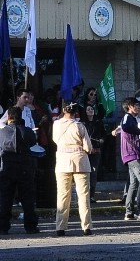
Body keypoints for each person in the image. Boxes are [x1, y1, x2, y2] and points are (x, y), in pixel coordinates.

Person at [52, 101, 93, 236]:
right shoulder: (80, 126)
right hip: (80, 161)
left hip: (63, 161)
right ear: (76, 112)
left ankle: (60, 226)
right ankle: (86, 226)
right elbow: (88, 147)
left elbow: (55, 140)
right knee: (83, 196)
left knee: (63, 195)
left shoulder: (56, 124)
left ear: (64, 110)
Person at [0, 107, 39, 235]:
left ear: (9, 117)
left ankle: (3, 226)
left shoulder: (3, 132)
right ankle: (30, 226)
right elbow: (33, 141)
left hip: (7, 167)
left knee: (5, 198)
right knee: (27, 198)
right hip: (24, 167)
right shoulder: (26, 131)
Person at [120, 97, 140, 222]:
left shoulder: (132, 119)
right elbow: (126, 127)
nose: (138, 107)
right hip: (131, 154)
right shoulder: (128, 117)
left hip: (133, 153)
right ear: (130, 107)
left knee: (133, 183)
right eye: (136, 105)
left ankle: (129, 212)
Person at [83, 105, 106, 203]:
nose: (90, 111)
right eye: (88, 109)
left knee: (94, 171)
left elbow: (104, 133)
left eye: (92, 109)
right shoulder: (82, 123)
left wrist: (102, 139)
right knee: (85, 172)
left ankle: (92, 195)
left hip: (96, 149)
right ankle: (85, 194)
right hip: (85, 150)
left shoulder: (98, 122)